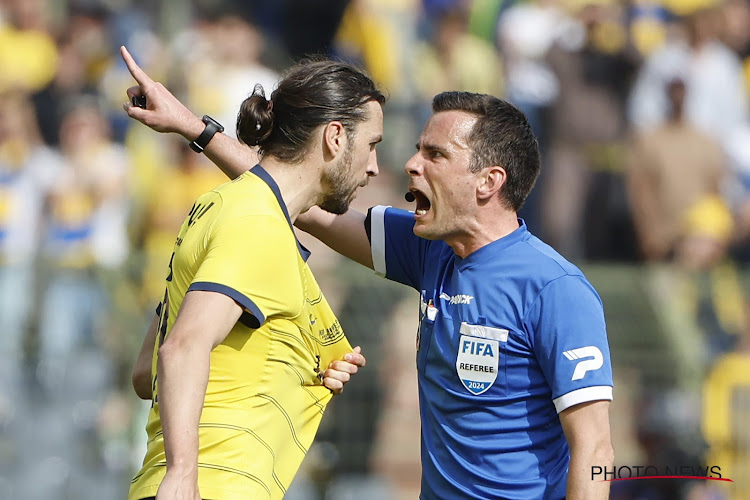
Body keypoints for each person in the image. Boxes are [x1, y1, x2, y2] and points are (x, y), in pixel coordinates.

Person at [122, 46, 614, 497]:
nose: (409, 164)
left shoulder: (555, 290)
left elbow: (595, 451)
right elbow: (295, 196)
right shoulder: (431, 252)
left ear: (489, 181)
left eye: (435, 155)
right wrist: (194, 128)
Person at [120, 46, 382, 500]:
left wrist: (296, 370)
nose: (374, 166)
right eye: (372, 144)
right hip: (213, 485)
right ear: (335, 137)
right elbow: (182, 348)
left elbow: (147, 374)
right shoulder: (257, 223)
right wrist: (183, 474)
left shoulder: (219, 206)